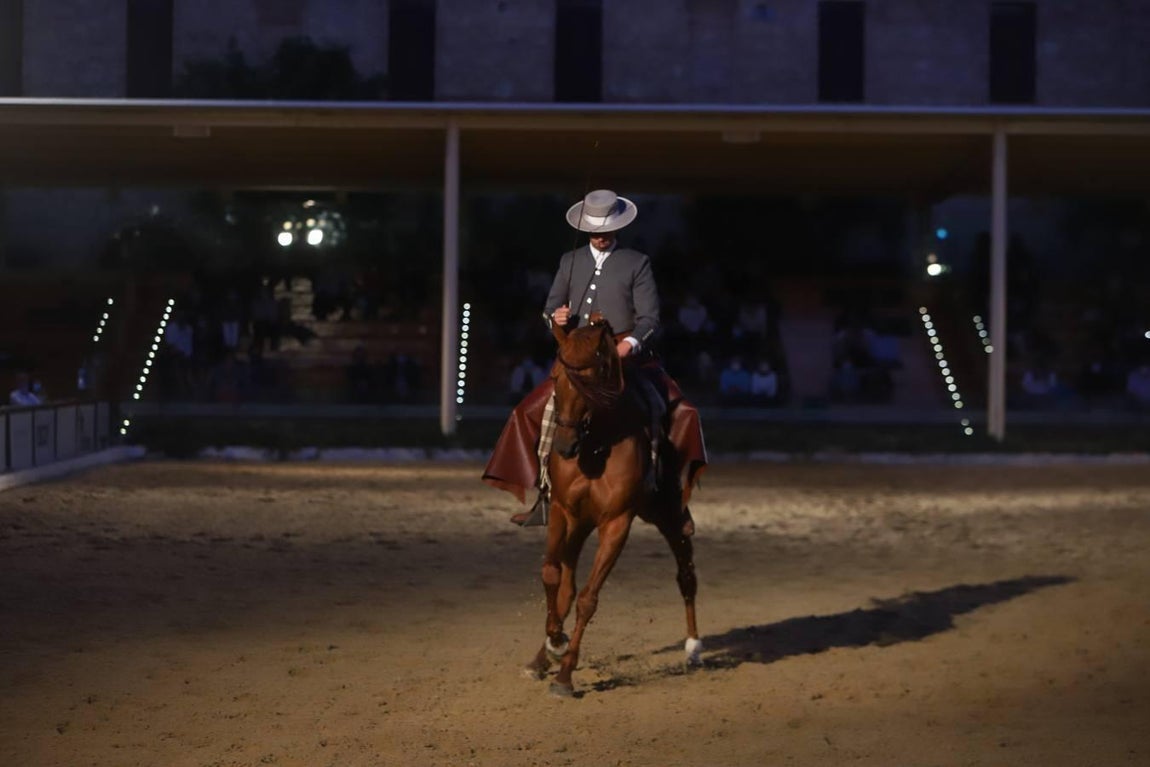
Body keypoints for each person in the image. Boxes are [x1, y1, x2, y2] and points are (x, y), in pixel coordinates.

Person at [482, 189, 707, 534]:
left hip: (624, 355)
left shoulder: (637, 262)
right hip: (578, 355)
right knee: (528, 411)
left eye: (606, 230)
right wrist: (556, 318)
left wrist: (629, 344)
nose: (601, 236)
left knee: (682, 412)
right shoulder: (569, 261)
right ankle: (546, 493)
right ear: (586, 229)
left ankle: (671, 498)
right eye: (594, 230)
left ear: (618, 228)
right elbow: (548, 310)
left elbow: (650, 318)